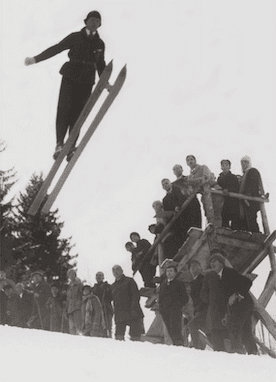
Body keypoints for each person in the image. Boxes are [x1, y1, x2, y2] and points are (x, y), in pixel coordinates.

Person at [25, 11, 107, 160]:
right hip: (70, 76)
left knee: (79, 114)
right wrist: (36, 59)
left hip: (87, 81)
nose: (94, 22)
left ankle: (71, 147)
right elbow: (57, 48)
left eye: (97, 21)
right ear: (86, 21)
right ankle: (60, 144)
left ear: (99, 24)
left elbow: (101, 65)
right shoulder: (75, 37)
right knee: (64, 109)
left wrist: (105, 82)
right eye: (92, 20)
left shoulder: (100, 44)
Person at [209, 249, 258, 354]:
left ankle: (237, 350)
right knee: (245, 330)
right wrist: (225, 314)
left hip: (244, 303)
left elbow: (247, 282)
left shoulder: (229, 272)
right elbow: (226, 299)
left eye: (215, 261)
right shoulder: (219, 277)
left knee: (234, 325)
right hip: (238, 306)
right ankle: (253, 353)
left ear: (222, 263)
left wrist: (237, 294)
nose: (212, 264)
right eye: (211, 262)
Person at [111, 265, 144, 341]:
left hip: (133, 312)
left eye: (117, 269)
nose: (115, 271)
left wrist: (134, 309)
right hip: (120, 314)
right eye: (113, 270)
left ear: (122, 271)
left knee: (135, 338)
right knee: (118, 338)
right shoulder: (113, 286)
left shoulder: (129, 281)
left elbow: (135, 296)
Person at [159, 262, 189, 346]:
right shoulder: (163, 284)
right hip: (165, 310)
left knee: (175, 328)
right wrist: (161, 308)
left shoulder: (179, 284)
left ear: (175, 273)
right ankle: (176, 344)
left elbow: (185, 298)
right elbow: (160, 297)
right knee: (169, 329)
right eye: (167, 271)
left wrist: (178, 305)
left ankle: (179, 345)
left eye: (171, 271)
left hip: (175, 310)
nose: (169, 272)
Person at [200, 268, 228, 352]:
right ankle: (219, 351)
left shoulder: (228, 274)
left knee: (226, 329)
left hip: (226, 307)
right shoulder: (209, 275)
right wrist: (212, 300)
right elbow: (203, 293)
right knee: (213, 330)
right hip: (214, 308)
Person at [239, 156, 263, 233]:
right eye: (242, 162)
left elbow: (253, 184)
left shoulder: (252, 171)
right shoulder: (244, 174)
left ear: (249, 163)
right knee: (247, 221)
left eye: (245, 162)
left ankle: (256, 235)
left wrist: (248, 195)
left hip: (251, 201)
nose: (243, 164)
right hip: (246, 201)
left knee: (251, 220)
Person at [188, 260, 208, 350]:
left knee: (193, 325)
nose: (193, 268)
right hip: (198, 310)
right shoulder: (193, 283)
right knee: (206, 330)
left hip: (205, 308)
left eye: (195, 266)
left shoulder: (204, 279)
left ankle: (196, 348)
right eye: (191, 267)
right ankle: (200, 347)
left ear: (201, 268)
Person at [217, 159, 240, 230]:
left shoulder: (233, 177)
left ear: (229, 167)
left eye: (226, 165)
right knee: (224, 216)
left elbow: (237, 188)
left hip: (233, 201)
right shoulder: (220, 178)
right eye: (223, 165)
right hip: (224, 201)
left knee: (234, 218)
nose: (224, 167)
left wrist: (228, 190)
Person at [92, 271, 113, 337]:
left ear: (103, 277)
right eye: (97, 275)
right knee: (98, 325)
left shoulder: (108, 286)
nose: (98, 277)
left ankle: (108, 336)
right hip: (96, 310)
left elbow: (112, 297)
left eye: (100, 275)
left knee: (107, 325)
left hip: (106, 308)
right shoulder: (93, 288)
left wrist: (107, 290)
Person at [66, 269, 83, 335]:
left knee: (78, 326)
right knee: (72, 327)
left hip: (77, 307)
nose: (71, 275)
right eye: (70, 274)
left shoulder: (79, 284)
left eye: (73, 274)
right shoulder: (69, 286)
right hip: (70, 308)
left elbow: (82, 294)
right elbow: (68, 298)